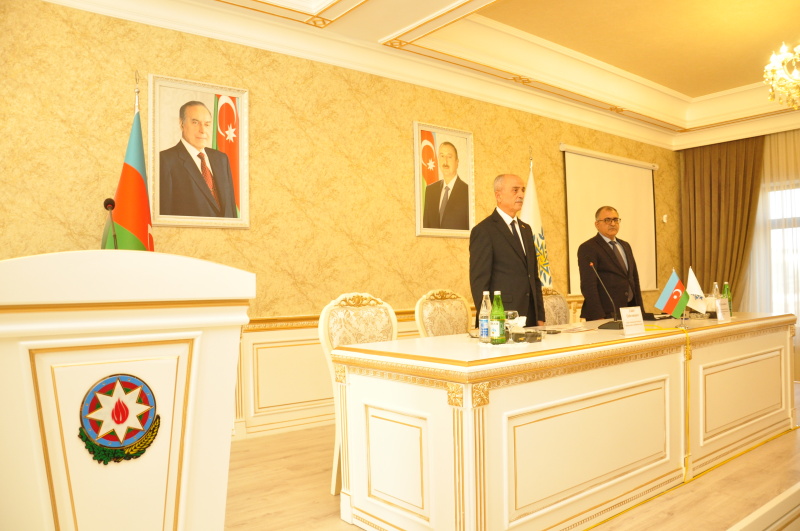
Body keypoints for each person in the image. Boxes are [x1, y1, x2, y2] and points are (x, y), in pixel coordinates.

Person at [469, 174, 545, 326]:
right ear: (499, 196)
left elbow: (534, 277)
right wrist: (489, 320)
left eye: (523, 190)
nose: (521, 195)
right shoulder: (484, 230)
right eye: (515, 190)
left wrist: (540, 316)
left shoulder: (526, 229)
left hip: (530, 316)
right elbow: (479, 283)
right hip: (500, 318)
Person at [160, 101, 238, 217]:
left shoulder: (221, 159)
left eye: (207, 124)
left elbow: (230, 208)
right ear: (181, 124)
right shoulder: (165, 160)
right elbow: (164, 214)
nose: (202, 130)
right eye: (195, 123)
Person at [577, 206, 644, 321]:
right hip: (605, 313)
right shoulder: (588, 247)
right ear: (597, 224)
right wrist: (598, 316)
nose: (613, 223)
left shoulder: (625, 246)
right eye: (607, 220)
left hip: (631, 311)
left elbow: (634, 279)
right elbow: (588, 285)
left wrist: (641, 311)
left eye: (615, 220)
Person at [422, 142, 469, 230]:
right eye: (442, 156)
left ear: (457, 162)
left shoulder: (467, 192)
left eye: (449, 157)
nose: (445, 161)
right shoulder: (430, 191)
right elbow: (426, 227)